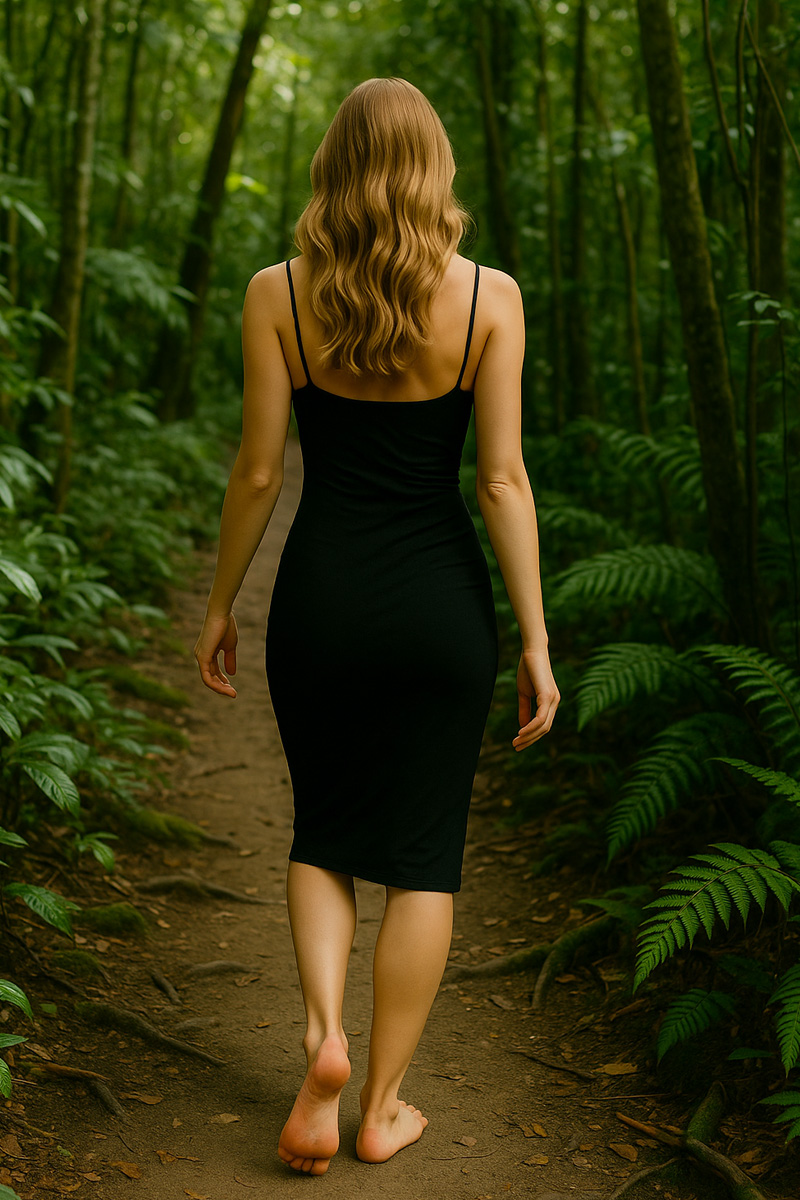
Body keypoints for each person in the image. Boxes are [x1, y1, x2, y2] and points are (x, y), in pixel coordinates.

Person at [193, 77, 559, 1176]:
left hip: (321, 600)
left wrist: (219, 604)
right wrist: (536, 639)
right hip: (441, 610)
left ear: (332, 169)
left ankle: (322, 1041)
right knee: (422, 861)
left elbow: (259, 469)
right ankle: (381, 1107)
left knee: (325, 832)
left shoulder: (278, 295)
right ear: (433, 167)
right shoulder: (490, 295)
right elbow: (499, 480)